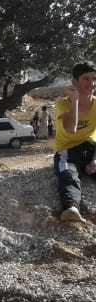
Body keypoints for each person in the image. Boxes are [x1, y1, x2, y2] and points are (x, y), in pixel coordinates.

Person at [53, 62, 96, 222]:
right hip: (68, 152)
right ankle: (72, 208)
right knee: (67, 174)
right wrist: (75, 101)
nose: (91, 83)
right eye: (86, 78)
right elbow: (71, 128)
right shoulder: (62, 104)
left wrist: (95, 159)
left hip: (90, 149)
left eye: (94, 78)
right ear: (74, 82)